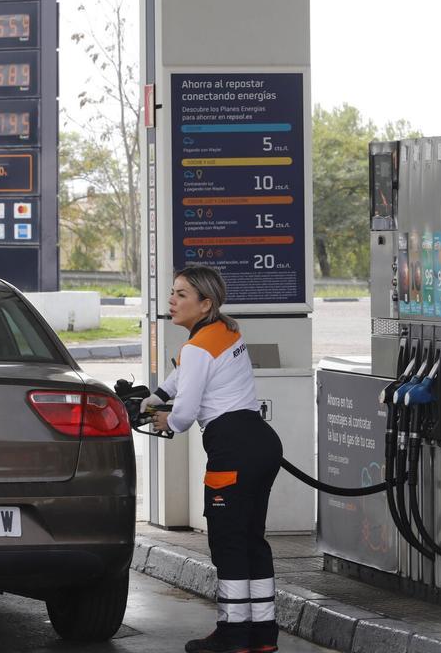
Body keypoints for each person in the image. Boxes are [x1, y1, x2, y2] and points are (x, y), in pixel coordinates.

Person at [146, 265, 283, 653]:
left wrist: (163, 418)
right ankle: (262, 635)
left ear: (206, 302)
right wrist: (156, 395)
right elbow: (184, 375)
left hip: (232, 450)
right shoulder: (224, 331)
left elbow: (185, 413)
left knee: (228, 543)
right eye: (172, 292)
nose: (172, 301)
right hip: (261, 443)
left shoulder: (197, 347)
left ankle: (233, 634)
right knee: (253, 540)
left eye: (182, 295)